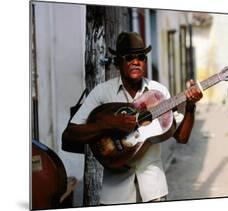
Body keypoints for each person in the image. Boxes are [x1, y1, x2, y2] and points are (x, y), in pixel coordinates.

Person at [62, 32, 203, 204]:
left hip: (154, 191)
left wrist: (190, 106)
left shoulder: (159, 93)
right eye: (129, 57)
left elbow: (181, 137)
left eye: (141, 57)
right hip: (115, 194)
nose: (136, 61)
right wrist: (109, 124)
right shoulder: (102, 93)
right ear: (118, 62)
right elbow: (70, 133)